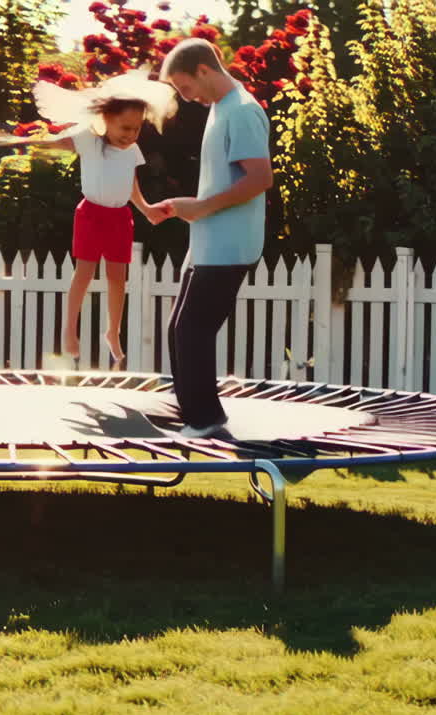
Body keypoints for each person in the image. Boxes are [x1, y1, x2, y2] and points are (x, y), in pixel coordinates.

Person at [0, 73, 176, 367]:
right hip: (91, 214)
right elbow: (50, 141)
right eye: (125, 127)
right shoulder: (88, 140)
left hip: (120, 217)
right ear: (105, 120)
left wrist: (147, 208)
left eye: (136, 129)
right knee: (84, 272)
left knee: (117, 277)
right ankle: (69, 330)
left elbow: (131, 184)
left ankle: (113, 331)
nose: (130, 135)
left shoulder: (132, 150)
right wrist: (9, 137)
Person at [152, 39, 273, 439]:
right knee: (178, 329)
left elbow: (260, 179)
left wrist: (202, 209)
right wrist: (188, 206)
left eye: (186, 88)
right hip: (207, 242)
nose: (187, 98)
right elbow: (224, 179)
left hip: (229, 244)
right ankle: (195, 412)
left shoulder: (241, 110)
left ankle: (205, 420)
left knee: (193, 331)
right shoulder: (221, 109)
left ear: (204, 70)